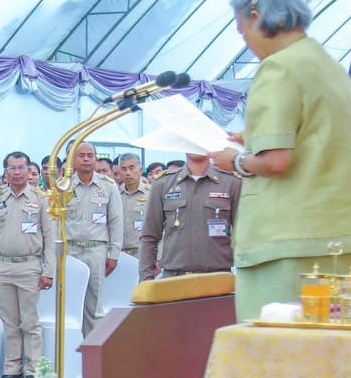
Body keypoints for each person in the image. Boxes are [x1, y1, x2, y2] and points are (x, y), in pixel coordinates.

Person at [207, 0, 351, 319]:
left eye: (242, 30)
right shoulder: (329, 67)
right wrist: (253, 139)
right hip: (340, 236)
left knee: (278, 358)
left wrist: (234, 161)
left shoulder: (278, 68)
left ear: (256, 17)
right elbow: (317, 138)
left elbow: (276, 161)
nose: (246, 43)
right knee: (331, 354)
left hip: (286, 243)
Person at [0, 152, 57, 378]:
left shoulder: (41, 199)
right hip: (3, 267)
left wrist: (48, 270)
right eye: (11, 168)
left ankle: (33, 370)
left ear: (29, 170)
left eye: (21, 167)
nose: (16, 172)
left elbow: (49, 237)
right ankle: (12, 369)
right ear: (5, 173)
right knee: (10, 322)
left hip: (29, 266)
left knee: (30, 322)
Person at [139, 152, 242, 281]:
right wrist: (146, 281)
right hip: (175, 279)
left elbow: (243, 238)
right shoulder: (164, 183)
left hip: (218, 279)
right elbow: (149, 236)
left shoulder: (231, 182)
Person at [62, 142, 122, 337]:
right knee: (71, 306)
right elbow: (55, 223)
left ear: (95, 159)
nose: (86, 159)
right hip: (70, 251)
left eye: (90, 155)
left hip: (97, 251)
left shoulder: (108, 186)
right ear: (73, 160)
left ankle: (92, 354)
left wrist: (114, 254)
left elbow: (115, 221)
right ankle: (71, 354)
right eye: (81, 155)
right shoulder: (63, 186)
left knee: (94, 308)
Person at [116, 153, 150, 259]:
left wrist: (158, 257)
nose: (128, 173)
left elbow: (161, 227)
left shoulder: (152, 193)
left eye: (132, 168)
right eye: (124, 169)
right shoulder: (114, 194)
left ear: (140, 170)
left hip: (142, 253)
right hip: (117, 255)